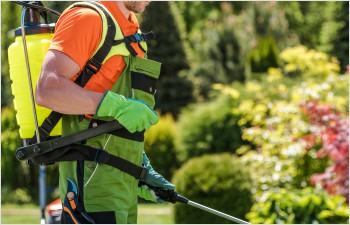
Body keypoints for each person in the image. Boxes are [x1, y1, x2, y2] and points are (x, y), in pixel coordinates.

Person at [36, 1, 174, 224]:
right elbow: (47, 90)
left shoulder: (133, 29)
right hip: (91, 182)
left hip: (121, 183)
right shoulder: (87, 19)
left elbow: (117, 124)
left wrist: (139, 167)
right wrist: (116, 105)